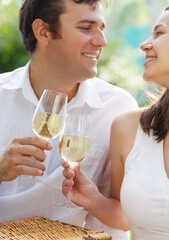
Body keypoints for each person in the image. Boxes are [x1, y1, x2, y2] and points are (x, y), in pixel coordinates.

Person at [0, 0, 138, 239]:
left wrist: (93, 201)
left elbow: (126, 216)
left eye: (101, 28)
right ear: (43, 31)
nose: (101, 41)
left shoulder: (118, 108)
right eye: (86, 28)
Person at [62, 4, 169, 240]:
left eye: (159, 34)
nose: (145, 44)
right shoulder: (128, 127)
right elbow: (125, 215)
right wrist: (94, 201)